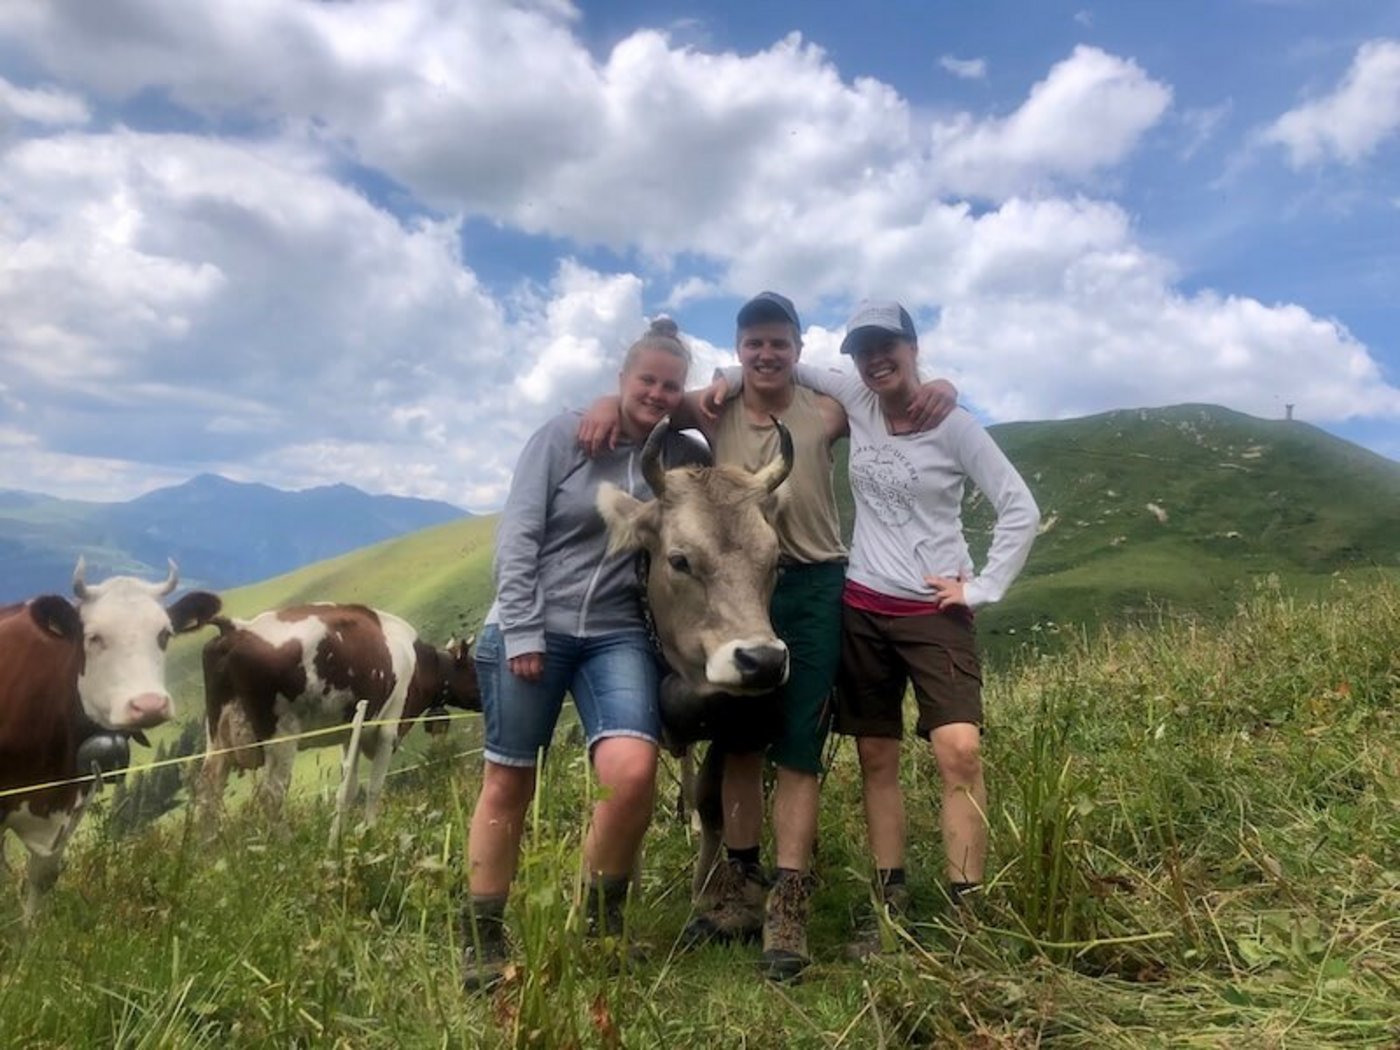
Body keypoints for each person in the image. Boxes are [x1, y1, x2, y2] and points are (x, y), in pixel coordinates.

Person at [581, 292, 956, 982]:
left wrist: (939, 387)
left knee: (799, 746)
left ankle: (789, 899)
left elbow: (891, 401)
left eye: (779, 343)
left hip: (812, 584)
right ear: (739, 349)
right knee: (740, 740)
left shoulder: (827, 412)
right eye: (753, 344)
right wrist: (606, 402)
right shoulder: (711, 410)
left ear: (797, 350)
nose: (766, 354)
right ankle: (739, 887)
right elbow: (654, 399)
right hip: (741, 588)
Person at [714, 300, 1038, 953]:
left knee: (959, 750)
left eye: (887, 346)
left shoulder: (954, 425)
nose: (875, 359)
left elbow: (1019, 507)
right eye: (864, 349)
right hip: (863, 604)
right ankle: (890, 903)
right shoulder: (857, 399)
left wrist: (982, 588)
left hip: (934, 610)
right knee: (875, 756)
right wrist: (724, 375)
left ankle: (967, 915)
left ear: (913, 348)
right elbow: (780, 365)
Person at [462, 318, 709, 992]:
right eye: (645, 381)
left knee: (632, 772)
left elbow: (715, 417)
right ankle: (482, 939)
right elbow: (517, 537)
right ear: (622, 378)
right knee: (509, 781)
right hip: (532, 626)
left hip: (615, 632)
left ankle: (597, 928)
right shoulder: (562, 437)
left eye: (671, 387)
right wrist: (523, 632)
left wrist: (662, 411)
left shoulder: (679, 458)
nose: (657, 394)